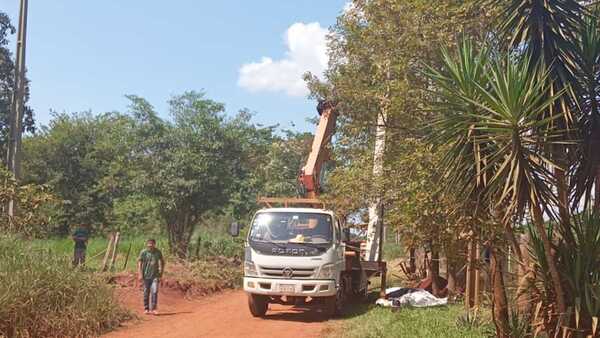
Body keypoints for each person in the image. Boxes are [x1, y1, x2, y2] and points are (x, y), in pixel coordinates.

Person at [137, 238, 165, 315]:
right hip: (146, 276)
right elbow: (139, 262)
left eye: (152, 244)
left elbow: (162, 262)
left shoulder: (158, 252)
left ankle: (154, 309)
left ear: (154, 244)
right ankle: (146, 308)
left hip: (155, 276)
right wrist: (140, 274)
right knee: (146, 292)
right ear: (147, 244)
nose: (150, 245)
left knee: (155, 291)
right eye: (149, 244)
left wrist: (161, 272)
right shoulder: (144, 252)